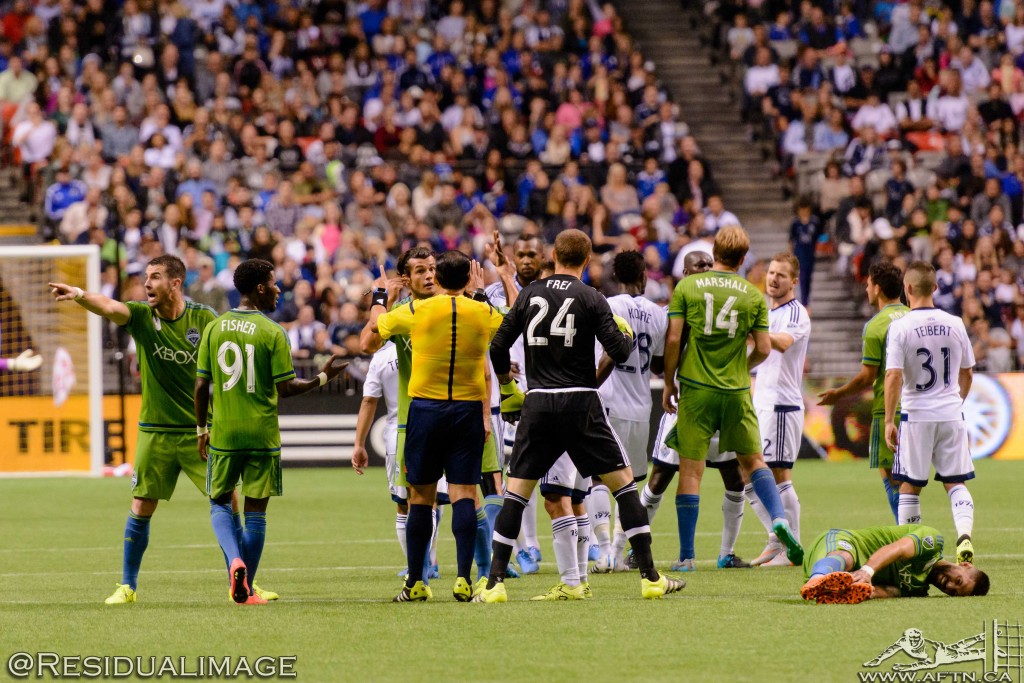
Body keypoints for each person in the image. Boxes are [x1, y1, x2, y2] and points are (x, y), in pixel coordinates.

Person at [50, 256, 277, 604]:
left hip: (201, 433)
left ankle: (245, 581)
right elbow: (109, 306)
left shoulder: (204, 319)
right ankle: (127, 586)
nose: (147, 284)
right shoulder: (142, 317)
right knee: (142, 504)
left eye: (154, 276)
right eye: (146, 277)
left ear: (175, 283)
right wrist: (80, 294)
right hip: (155, 432)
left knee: (228, 500)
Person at [476, 229, 686, 602]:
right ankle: (650, 578)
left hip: (538, 402)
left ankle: (494, 584)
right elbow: (619, 352)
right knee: (624, 487)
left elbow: (497, 347)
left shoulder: (529, 294)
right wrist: (624, 335)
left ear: (553, 255)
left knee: (516, 495)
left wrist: (508, 388)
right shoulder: (591, 297)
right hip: (581, 402)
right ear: (587, 261)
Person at [194, 258, 348, 604]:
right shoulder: (273, 332)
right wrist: (323, 377)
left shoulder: (214, 329)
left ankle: (234, 561)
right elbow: (287, 388)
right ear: (260, 288)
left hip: (225, 434)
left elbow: (201, 385)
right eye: (275, 283)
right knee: (256, 515)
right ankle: (247, 586)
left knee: (219, 502)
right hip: (262, 435)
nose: (280, 290)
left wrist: (202, 428)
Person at [661, 226, 803, 571]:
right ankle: (778, 519)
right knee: (754, 462)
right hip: (737, 391)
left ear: (715, 252)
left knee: (691, 472)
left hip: (697, 388)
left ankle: (687, 557)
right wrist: (743, 365)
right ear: (742, 259)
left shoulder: (688, 287)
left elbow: (674, 339)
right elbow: (765, 348)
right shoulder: (752, 295)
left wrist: (668, 382)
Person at [371, 250, 504, 603]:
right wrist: (480, 293)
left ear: (439, 278)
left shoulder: (418, 310)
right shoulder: (482, 311)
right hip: (467, 410)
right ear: (468, 279)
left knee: (420, 498)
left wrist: (380, 296)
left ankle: (416, 582)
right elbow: (507, 321)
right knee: (465, 495)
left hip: (426, 410)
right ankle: (463, 579)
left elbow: (378, 326)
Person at [638, 250, 751, 571]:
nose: (706, 268)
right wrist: (672, 379)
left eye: (709, 264)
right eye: (699, 265)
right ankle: (633, 548)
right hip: (684, 404)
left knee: (734, 478)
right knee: (660, 477)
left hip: (720, 403)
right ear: (685, 274)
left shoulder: (723, 304)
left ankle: (726, 553)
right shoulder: (671, 312)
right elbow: (657, 361)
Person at [360, 247, 449, 581]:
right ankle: (423, 568)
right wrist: (385, 300)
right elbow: (367, 344)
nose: (430, 275)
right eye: (421, 270)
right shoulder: (401, 313)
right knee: (417, 497)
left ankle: (484, 571)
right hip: (418, 417)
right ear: (407, 279)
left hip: (455, 414)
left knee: (464, 496)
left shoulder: (452, 303)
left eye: (432, 268)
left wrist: (380, 298)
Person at [884, 261, 977, 565]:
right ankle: (964, 535)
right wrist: (956, 402)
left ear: (907, 289)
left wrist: (888, 420)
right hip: (950, 413)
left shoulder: (900, 327)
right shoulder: (956, 323)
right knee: (956, 483)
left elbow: (893, 375)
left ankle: (911, 551)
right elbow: (968, 372)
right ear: (935, 287)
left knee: (910, 486)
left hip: (916, 416)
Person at [591, 250, 666, 572]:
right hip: (641, 406)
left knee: (597, 477)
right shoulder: (659, 314)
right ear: (644, 276)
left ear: (615, 276)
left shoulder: (607, 306)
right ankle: (618, 553)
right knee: (630, 484)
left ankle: (603, 551)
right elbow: (660, 365)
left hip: (608, 401)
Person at [818, 261, 909, 521]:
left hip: (888, 409)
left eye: (868, 284)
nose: (866, 288)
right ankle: (911, 531)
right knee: (910, 479)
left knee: (891, 479)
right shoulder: (914, 317)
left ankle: (907, 533)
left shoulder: (875, 326)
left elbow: (868, 377)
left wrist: (839, 394)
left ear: (877, 288)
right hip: (918, 407)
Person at [483, 233, 545, 573]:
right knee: (517, 472)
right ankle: (524, 546)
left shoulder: (550, 290)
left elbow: (525, 313)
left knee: (541, 473)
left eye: (532, 254)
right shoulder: (493, 293)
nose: (526, 260)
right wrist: (502, 363)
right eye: (520, 254)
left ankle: (536, 542)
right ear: (512, 256)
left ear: (542, 256)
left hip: (544, 387)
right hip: (507, 393)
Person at [747, 253, 812, 567]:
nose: (773, 279)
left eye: (781, 275)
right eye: (771, 273)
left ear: (794, 281)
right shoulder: (765, 310)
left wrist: (752, 332)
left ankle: (791, 548)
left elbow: (783, 343)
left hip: (782, 405)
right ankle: (777, 539)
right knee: (748, 473)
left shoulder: (797, 312)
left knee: (778, 474)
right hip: (762, 403)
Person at [800, 524, 989, 604]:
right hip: (839, 544)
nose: (949, 586)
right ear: (965, 565)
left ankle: (826, 586)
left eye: (953, 592)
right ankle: (817, 580)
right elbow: (898, 548)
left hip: (824, 566)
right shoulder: (932, 542)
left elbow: (885, 591)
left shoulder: (918, 590)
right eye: (958, 581)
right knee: (847, 559)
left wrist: (864, 591)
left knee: (847, 570)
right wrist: (867, 571)